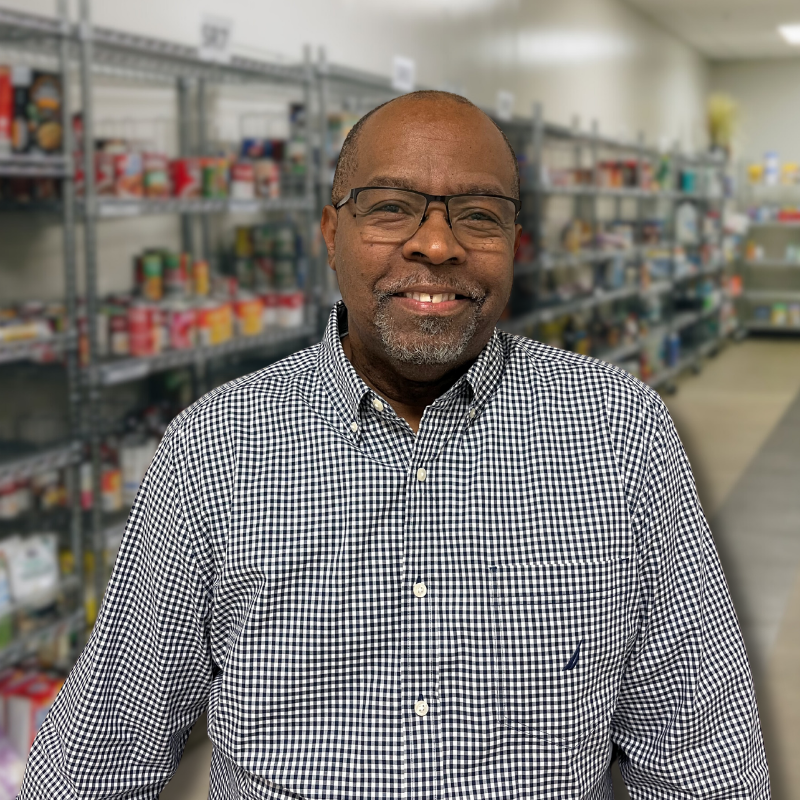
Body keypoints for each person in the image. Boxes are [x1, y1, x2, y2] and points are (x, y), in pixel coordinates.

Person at [20, 91, 769, 799]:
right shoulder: (217, 445)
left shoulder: (620, 431)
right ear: (330, 231)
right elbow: (105, 747)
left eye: (477, 215)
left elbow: (700, 752)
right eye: (391, 208)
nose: (436, 243)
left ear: (516, 243)